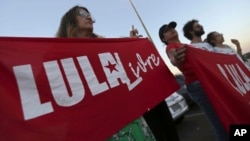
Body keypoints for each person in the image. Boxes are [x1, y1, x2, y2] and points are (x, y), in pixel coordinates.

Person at [56, 5, 179, 141]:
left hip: (129, 119)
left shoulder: (105, 46)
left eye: (89, 13)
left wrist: (132, 45)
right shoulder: (58, 58)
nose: (89, 16)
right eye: (82, 13)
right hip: (101, 126)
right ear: (70, 21)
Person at [159, 21, 229, 141]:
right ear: (164, 38)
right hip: (197, 85)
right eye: (167, 30)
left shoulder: (187, 46)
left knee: (225, 116)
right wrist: (175, 59)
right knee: (219, 122)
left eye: (172, 28)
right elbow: (173, 58)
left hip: (206, 81)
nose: (171, 30)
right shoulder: (171, 47)